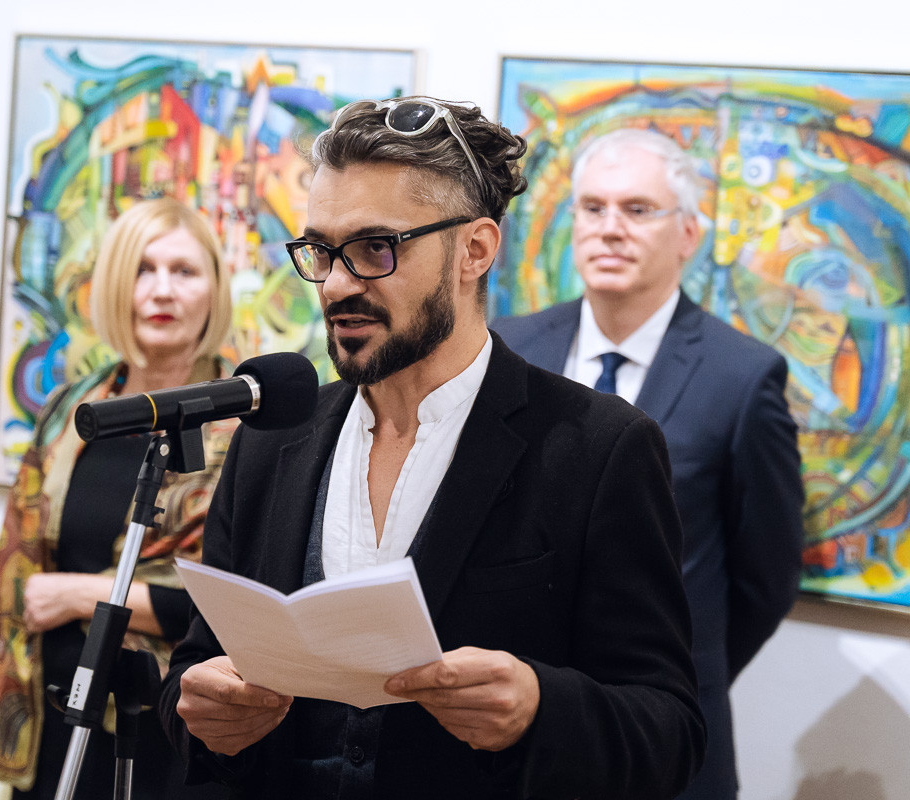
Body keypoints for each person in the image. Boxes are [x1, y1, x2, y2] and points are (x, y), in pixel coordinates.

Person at [158, 97, 706, 799]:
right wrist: (203, 713)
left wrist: (539, 709)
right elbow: (199, 669)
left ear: (474, 251)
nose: (337, 285)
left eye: (375, 249)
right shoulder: (272, 441)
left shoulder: (598, 449)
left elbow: (668, 732)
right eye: (320, 251)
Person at [491, 127, 804, 800]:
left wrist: (683, 676)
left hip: (666, 746)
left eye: (637, 209)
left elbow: (767, 578)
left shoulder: (742, 378)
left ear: (688, 233)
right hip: (523, 738)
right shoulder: (510, 349)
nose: (610, 228)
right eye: (593, 207)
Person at [0, 197, 234, 800]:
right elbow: (23, 569)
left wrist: (81, 595)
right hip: (51, 715)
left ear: (214, 289)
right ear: (114, 285)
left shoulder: (244, 429)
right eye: (143, 269)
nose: (162, 290)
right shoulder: (72, 413)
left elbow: (234, 607)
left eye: (184, 271)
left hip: (166, 728)